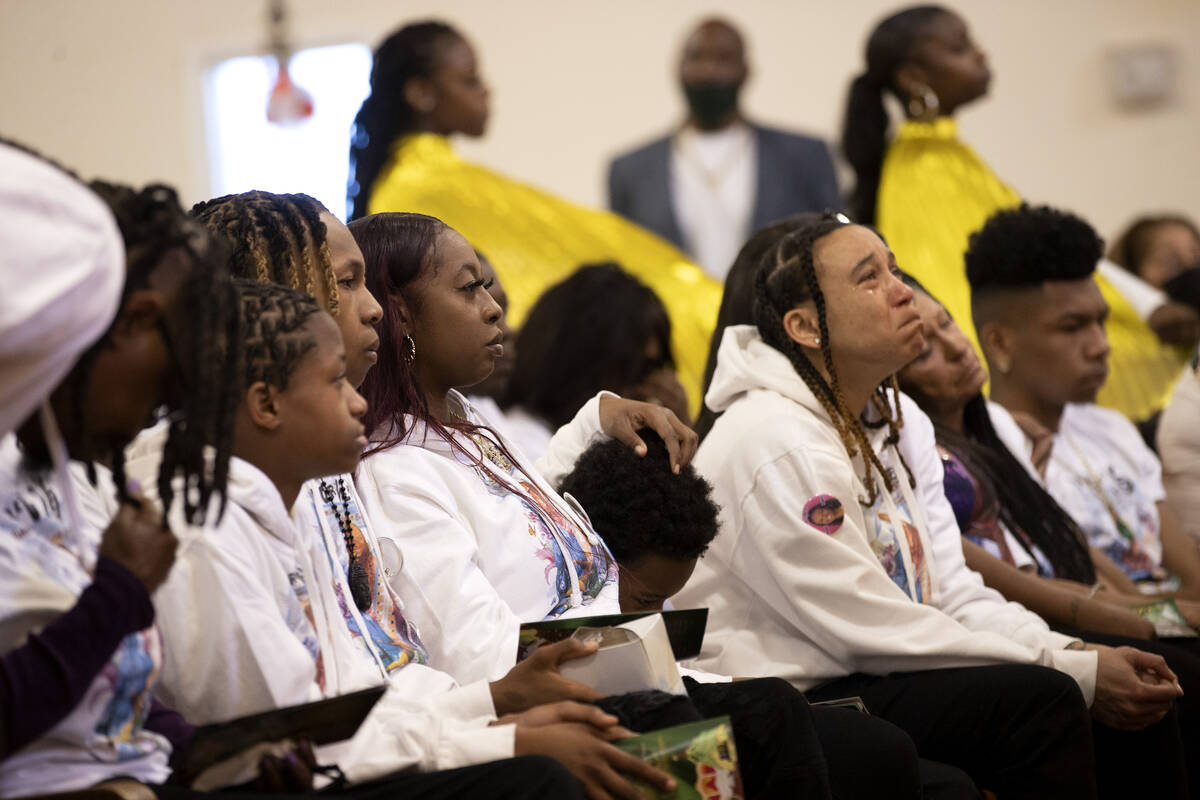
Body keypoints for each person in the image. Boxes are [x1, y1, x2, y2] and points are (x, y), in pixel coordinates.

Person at [350, 211, 889, 800]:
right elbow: (482, 654)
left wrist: (600, 415)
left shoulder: (464, 423)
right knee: (785, 719)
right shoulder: (395, 468)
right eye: (468, 287)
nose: (494, 306)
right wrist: (642, 655)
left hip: (613, 675)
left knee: (862, 747)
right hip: (560, 701)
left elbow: (528, 523)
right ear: (400, 313)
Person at [673, 212, 1189, 797]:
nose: (902, 291)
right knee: (1047, 700)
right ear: (805, 326)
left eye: (895, 268)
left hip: (875, 662)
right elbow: (863, 626)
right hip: (794, 693)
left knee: (1134, 689)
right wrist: (1070, 667)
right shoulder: (771, 438)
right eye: (870, 278)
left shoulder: (894, 417)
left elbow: (952, 590)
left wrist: (1068, 649)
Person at [898, 274, 1200, 795]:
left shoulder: (998, 425)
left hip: (1072, 601)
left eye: (946, 321)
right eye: (925, 351)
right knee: (1175, 674)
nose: (955, 346)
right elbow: (995, 576)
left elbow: (1066, 539)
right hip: (1019, 615)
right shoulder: (913, 448)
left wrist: (1147, 604)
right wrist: (1141, 615)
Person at [0, 172, 243, 795]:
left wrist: (222, 760)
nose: (146, 419)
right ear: (136, 321)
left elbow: (113, 699)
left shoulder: (43, 465)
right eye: (162, 389)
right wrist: (119, 593)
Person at [347, 20, 721, 412]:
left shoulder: (444, 179)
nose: (486, 90)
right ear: (421, 92)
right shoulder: (419, 187)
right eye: (470, 80)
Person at [841, 4, 1184, 422]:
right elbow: (957, 299)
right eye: (960, 48)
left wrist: (1147, 309)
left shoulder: (946, 155)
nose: (980, 55)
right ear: (913, 77)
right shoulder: (925, 169)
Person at [969, 204, 1200, 617]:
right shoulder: (990, 454)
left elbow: (1194, 578)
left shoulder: (1111, 429)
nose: (1101, 345)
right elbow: (1094, 607)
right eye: (1073, 326)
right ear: (1000, 344)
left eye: (1101, 322)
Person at [606, 17, 840, 280]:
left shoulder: (804, 156)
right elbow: (622, 267)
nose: (709, 71)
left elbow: (835, 246)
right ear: (678, 68)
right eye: (696, 57)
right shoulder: (630, 170)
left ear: (746, 70)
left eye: (723, 58)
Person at [500, 263, 690, 460]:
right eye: (641, 368)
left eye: (658, 366)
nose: (651, 386)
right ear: (585, 360)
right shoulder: (524, 448)